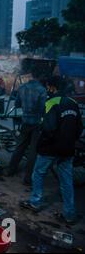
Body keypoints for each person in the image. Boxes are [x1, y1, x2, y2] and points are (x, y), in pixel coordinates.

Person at [20, 76, 83, 224]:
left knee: (38, 173)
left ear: (52, 87)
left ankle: (35, 202)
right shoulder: (73, 103)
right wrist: (69, 140)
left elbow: (48, 128)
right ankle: (69, 214)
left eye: (49, 86)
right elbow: (79, 127)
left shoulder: (51, 102)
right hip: (67, 149)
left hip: (50, 149)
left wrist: (43, 141)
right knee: (66, 181)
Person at [4, 71, 47, 185]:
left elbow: (17, 104)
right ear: (39, 78)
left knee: (19, 147)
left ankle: (10, 170)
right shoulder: (42, 90)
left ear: (31, 77)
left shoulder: (22, 88)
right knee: (33, 151)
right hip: (36, 123)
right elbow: (43, 108)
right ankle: (28, 178)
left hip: (25, 122)